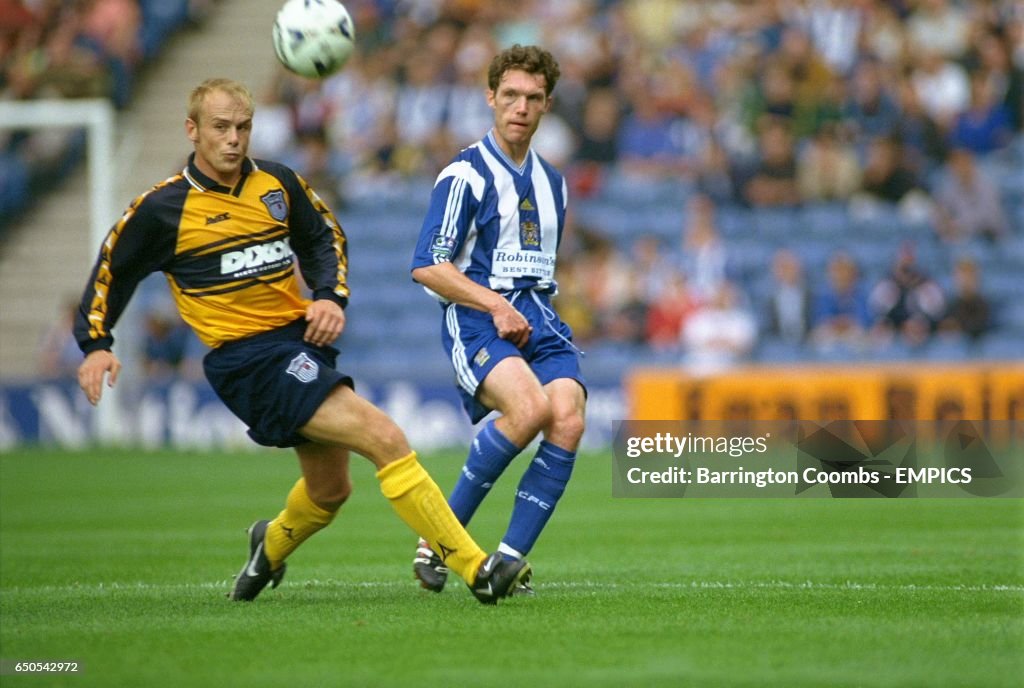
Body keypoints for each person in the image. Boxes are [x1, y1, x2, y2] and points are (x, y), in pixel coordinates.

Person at [73, 78, 529, 605]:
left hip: (300, 343)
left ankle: (266, 546)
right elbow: (113, 267)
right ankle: (477, 569)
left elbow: (324, 236)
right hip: (247, 359)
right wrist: (96, 342)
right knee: (384, 436)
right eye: (221, 128)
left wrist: (330, 295)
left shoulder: (277, 183)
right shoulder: (163, 209)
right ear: (192, 130)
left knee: (330, 491)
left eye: (243, 127)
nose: (234, 139)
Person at [409, 46, 586, 595]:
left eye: (533, 98)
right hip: (479, 320)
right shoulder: (464, 174)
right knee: (529, 407)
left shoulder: (554, 183)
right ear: (490, 97)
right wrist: (494, 304)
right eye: (510, 95)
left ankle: (507, 561)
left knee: (569, 416)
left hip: (539, 319)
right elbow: (427, 267)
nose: (521, 107)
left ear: (547, 105)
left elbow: (539, 268)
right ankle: (439, 538)